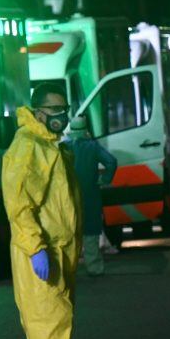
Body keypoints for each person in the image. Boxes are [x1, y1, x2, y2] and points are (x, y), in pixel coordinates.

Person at [2, 82, 82, 339]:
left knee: (43, 326)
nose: (62, 117)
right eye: (55, 111)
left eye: (65, 110)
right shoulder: (30, 147)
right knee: (52, 325)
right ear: (38, 113)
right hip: (43, 251)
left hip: (57, 250)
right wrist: (36, 248)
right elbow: (20, 204)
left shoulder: (51, 147)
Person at [64, 115, 118, 276]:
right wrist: (104, 179)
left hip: (68, 197)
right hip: (90, 196)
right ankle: (94, 267)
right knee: (90, 233)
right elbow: (111, 162)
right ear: (86, 129)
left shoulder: (64, 148)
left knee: (70, 232)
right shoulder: (93, 146)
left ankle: (68, 269)